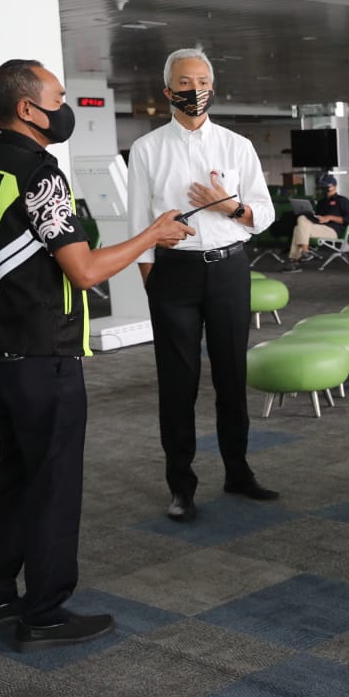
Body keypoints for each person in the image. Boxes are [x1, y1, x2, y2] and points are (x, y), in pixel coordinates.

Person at [0, 59, 192, 651]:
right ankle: (46, 613)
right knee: (52, 484)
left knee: (14, 475)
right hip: (42, 354)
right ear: (27, 109)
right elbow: (83, 272)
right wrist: (152, 236)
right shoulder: (40, 174)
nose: (65, 108)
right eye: (57, 97)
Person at [127, 48, 279, 522]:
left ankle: (238, 470)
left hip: (230, 269)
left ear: (213, 86)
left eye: (201, 81)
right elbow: (137, 226)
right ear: (167, 90)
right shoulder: (147, 149)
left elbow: (264, 216)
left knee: (232, 376)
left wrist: (226, 205)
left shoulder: (237, 146)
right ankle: (181, 485)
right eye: (183, 82)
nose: (194, 90)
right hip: (173, 273)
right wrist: (155, 279)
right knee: (178, 383)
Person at [281, 174, 349, 272]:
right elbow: (318, 218)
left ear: (334, 186)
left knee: (299, 225)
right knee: (299, 225)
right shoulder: (321, 202)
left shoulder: (342, 200)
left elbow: (348, 219)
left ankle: (296, 259)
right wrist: (312, 215)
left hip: (332, 230)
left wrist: (330, 217)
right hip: (319, 227)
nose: (324, 188)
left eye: (327, 186)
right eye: (323, 187)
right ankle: (303, 254)